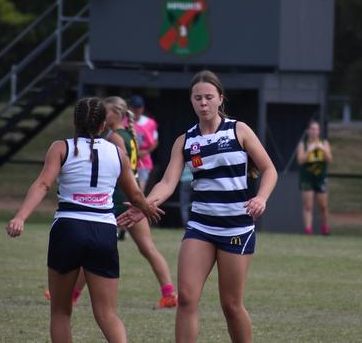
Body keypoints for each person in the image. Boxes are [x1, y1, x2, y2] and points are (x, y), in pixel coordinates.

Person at [118, 70, 278, 343]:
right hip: (201, 227)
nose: (203, 103)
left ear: (220, 99)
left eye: (208, 97)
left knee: (231, 305)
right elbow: (167, 182)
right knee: (187, 299)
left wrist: (261, 198)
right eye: (197, 98)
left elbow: (269, 170)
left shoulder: (238, 130)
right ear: (191, 101)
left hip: (235, 228)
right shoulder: (186, 141)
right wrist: (144, 204)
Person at [6, 97, 162, 343]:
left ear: (74, 121)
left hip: (68, 228)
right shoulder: (117, 152)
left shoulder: (60, 148)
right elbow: (134, 194)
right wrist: (148, 208)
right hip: (104, 231)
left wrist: (20, 217)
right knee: (108, 314)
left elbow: (43, 184)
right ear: (103, 125)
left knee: (60, 311)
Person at [102, 96, 178, 308]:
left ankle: (69, 296)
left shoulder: (116, 137)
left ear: (117, 114)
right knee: (148, 248)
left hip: (119, 198)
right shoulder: (128, 135)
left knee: (96, 247)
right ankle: (169, 293)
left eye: (105, 111)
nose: (102, 115)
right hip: (133, 195)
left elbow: (120, 168)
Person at [296, 120, 333, 235]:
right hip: (307, 178)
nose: (314, 131)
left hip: (320, 178)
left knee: (323, 206)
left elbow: (330, 160)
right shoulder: (304, 144)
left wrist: (322, 149)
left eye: (316, 129)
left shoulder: (324, 143)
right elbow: (300, 160)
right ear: (308, 131)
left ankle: (325, 228)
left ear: (319, 131)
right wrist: (309, 150)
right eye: (312, 129)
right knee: (308, 206)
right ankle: (308, 230)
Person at [127, 95, 158, 193]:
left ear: (143, 108)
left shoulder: (150, 123)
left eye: (139, 107)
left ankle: (137, 208)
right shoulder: (124, 122)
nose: (136, 110)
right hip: (127, 159)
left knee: (140, 189)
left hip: (143, 161)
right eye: (134, 107)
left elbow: (155, 141)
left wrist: (146, 151)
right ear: (129, 108)